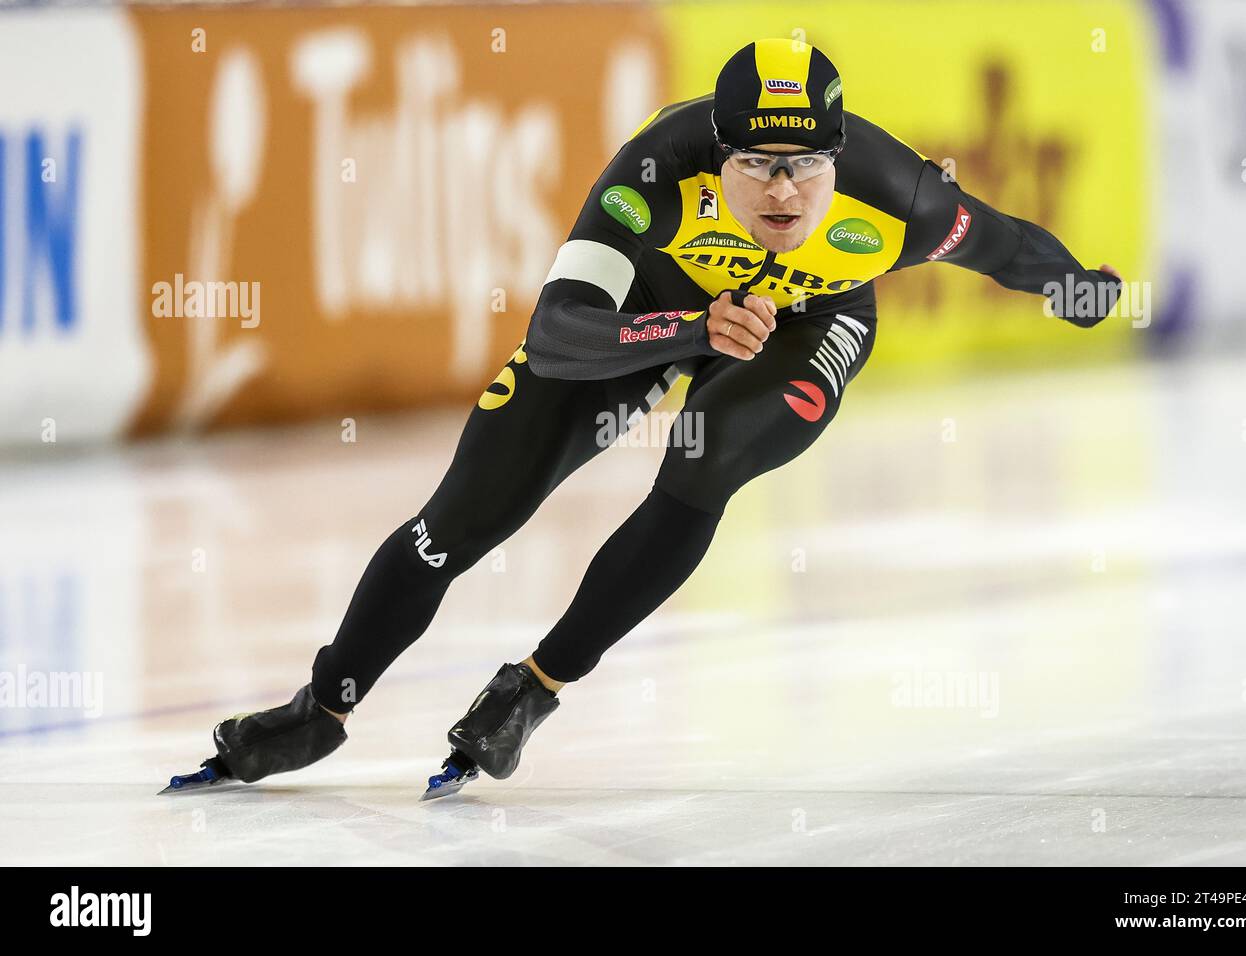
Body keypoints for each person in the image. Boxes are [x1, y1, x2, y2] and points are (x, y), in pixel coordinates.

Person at [164, 38, 1123, 795]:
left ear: (839, 159)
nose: (781, 191)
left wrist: (1079, 287)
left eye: (803, 167)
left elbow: (1003, 245)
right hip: (651, 317)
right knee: (461, 517)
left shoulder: (899, 195)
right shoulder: (654, 173)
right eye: (756, 163)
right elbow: (556, 334)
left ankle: (534, 689)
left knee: (702, 469)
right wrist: (687, 326)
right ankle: (323, 706)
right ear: (718, 150)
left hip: (808, 321)